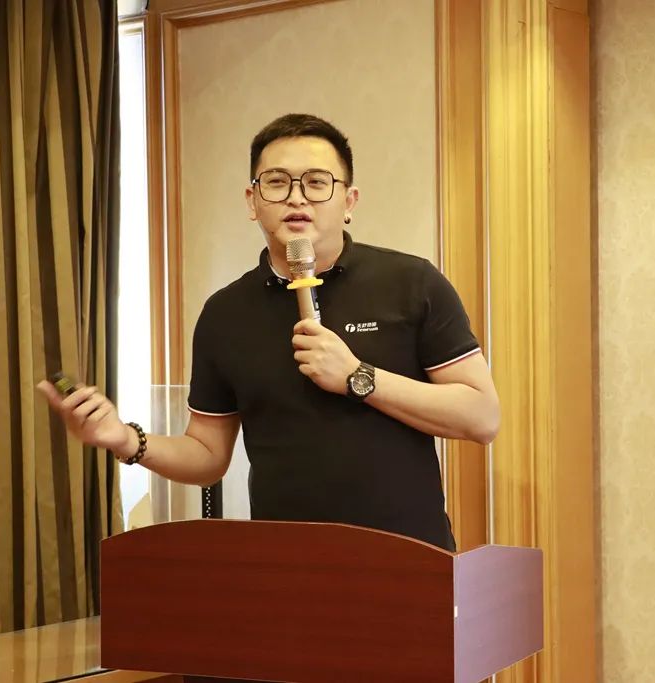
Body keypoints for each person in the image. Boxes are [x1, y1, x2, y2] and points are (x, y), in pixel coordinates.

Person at [37, 114, 500, 551]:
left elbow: (481, 418)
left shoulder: (412, 283)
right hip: (284, 564)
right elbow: (207, 454)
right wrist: (125, 440)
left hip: (409, 557)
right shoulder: (225, 313)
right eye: (277, 182)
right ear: (252, 201)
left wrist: (358, 376)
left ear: (349, 202)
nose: (297, 198)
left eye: (317, 182)